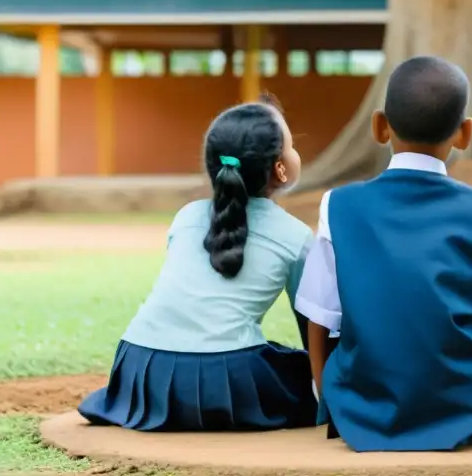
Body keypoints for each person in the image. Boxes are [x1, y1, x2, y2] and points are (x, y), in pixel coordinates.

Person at [294, 56, 472, 453]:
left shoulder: (337, 205)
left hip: (359, 409)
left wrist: (332, 401)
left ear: (379, 125)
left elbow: (319, 318)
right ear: (465, 133)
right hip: (460, 410)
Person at [78, 98, 317, 431]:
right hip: (226, 375)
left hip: (141, 365)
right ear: (281, 168)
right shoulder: (297, 237)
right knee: (299, 370)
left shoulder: (186, 217)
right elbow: (313, 326)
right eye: (292, 145)